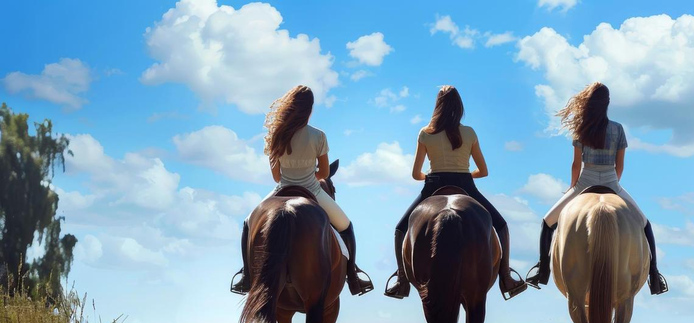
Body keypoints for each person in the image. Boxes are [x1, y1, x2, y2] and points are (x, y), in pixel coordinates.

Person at [384, 85, 527, 300]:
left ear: (437, 106)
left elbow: (415, 174)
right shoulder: (469, 133)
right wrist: (464, 173)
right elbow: (484, 171)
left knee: (399, 229)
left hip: (433, 184)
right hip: (465, 184)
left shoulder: (425, 133)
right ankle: (506, 277)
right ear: (459, 106)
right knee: (502, 225)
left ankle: (402, 280)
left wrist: (432, 175)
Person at [525, 82, 668, 295]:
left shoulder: (581, 128)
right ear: (607, 104)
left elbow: (575, 165)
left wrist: (572, 188)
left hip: (585, 181)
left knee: (547, 222)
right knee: (645, 224)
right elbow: (620, 166)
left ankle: (542, 271)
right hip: (611, 181)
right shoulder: (618, 129)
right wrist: (613, 186)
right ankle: (654, 276)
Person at [230, 85, 373, 296]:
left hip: (282, 189)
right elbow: (324, 172)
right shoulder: (319, 136)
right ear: (310, 109)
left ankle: (246, 276)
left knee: (248, 223)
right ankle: (353, 276)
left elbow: (276, 176)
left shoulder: (277, 135)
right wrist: (308, 177)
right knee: (346, 226)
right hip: (313, 190)